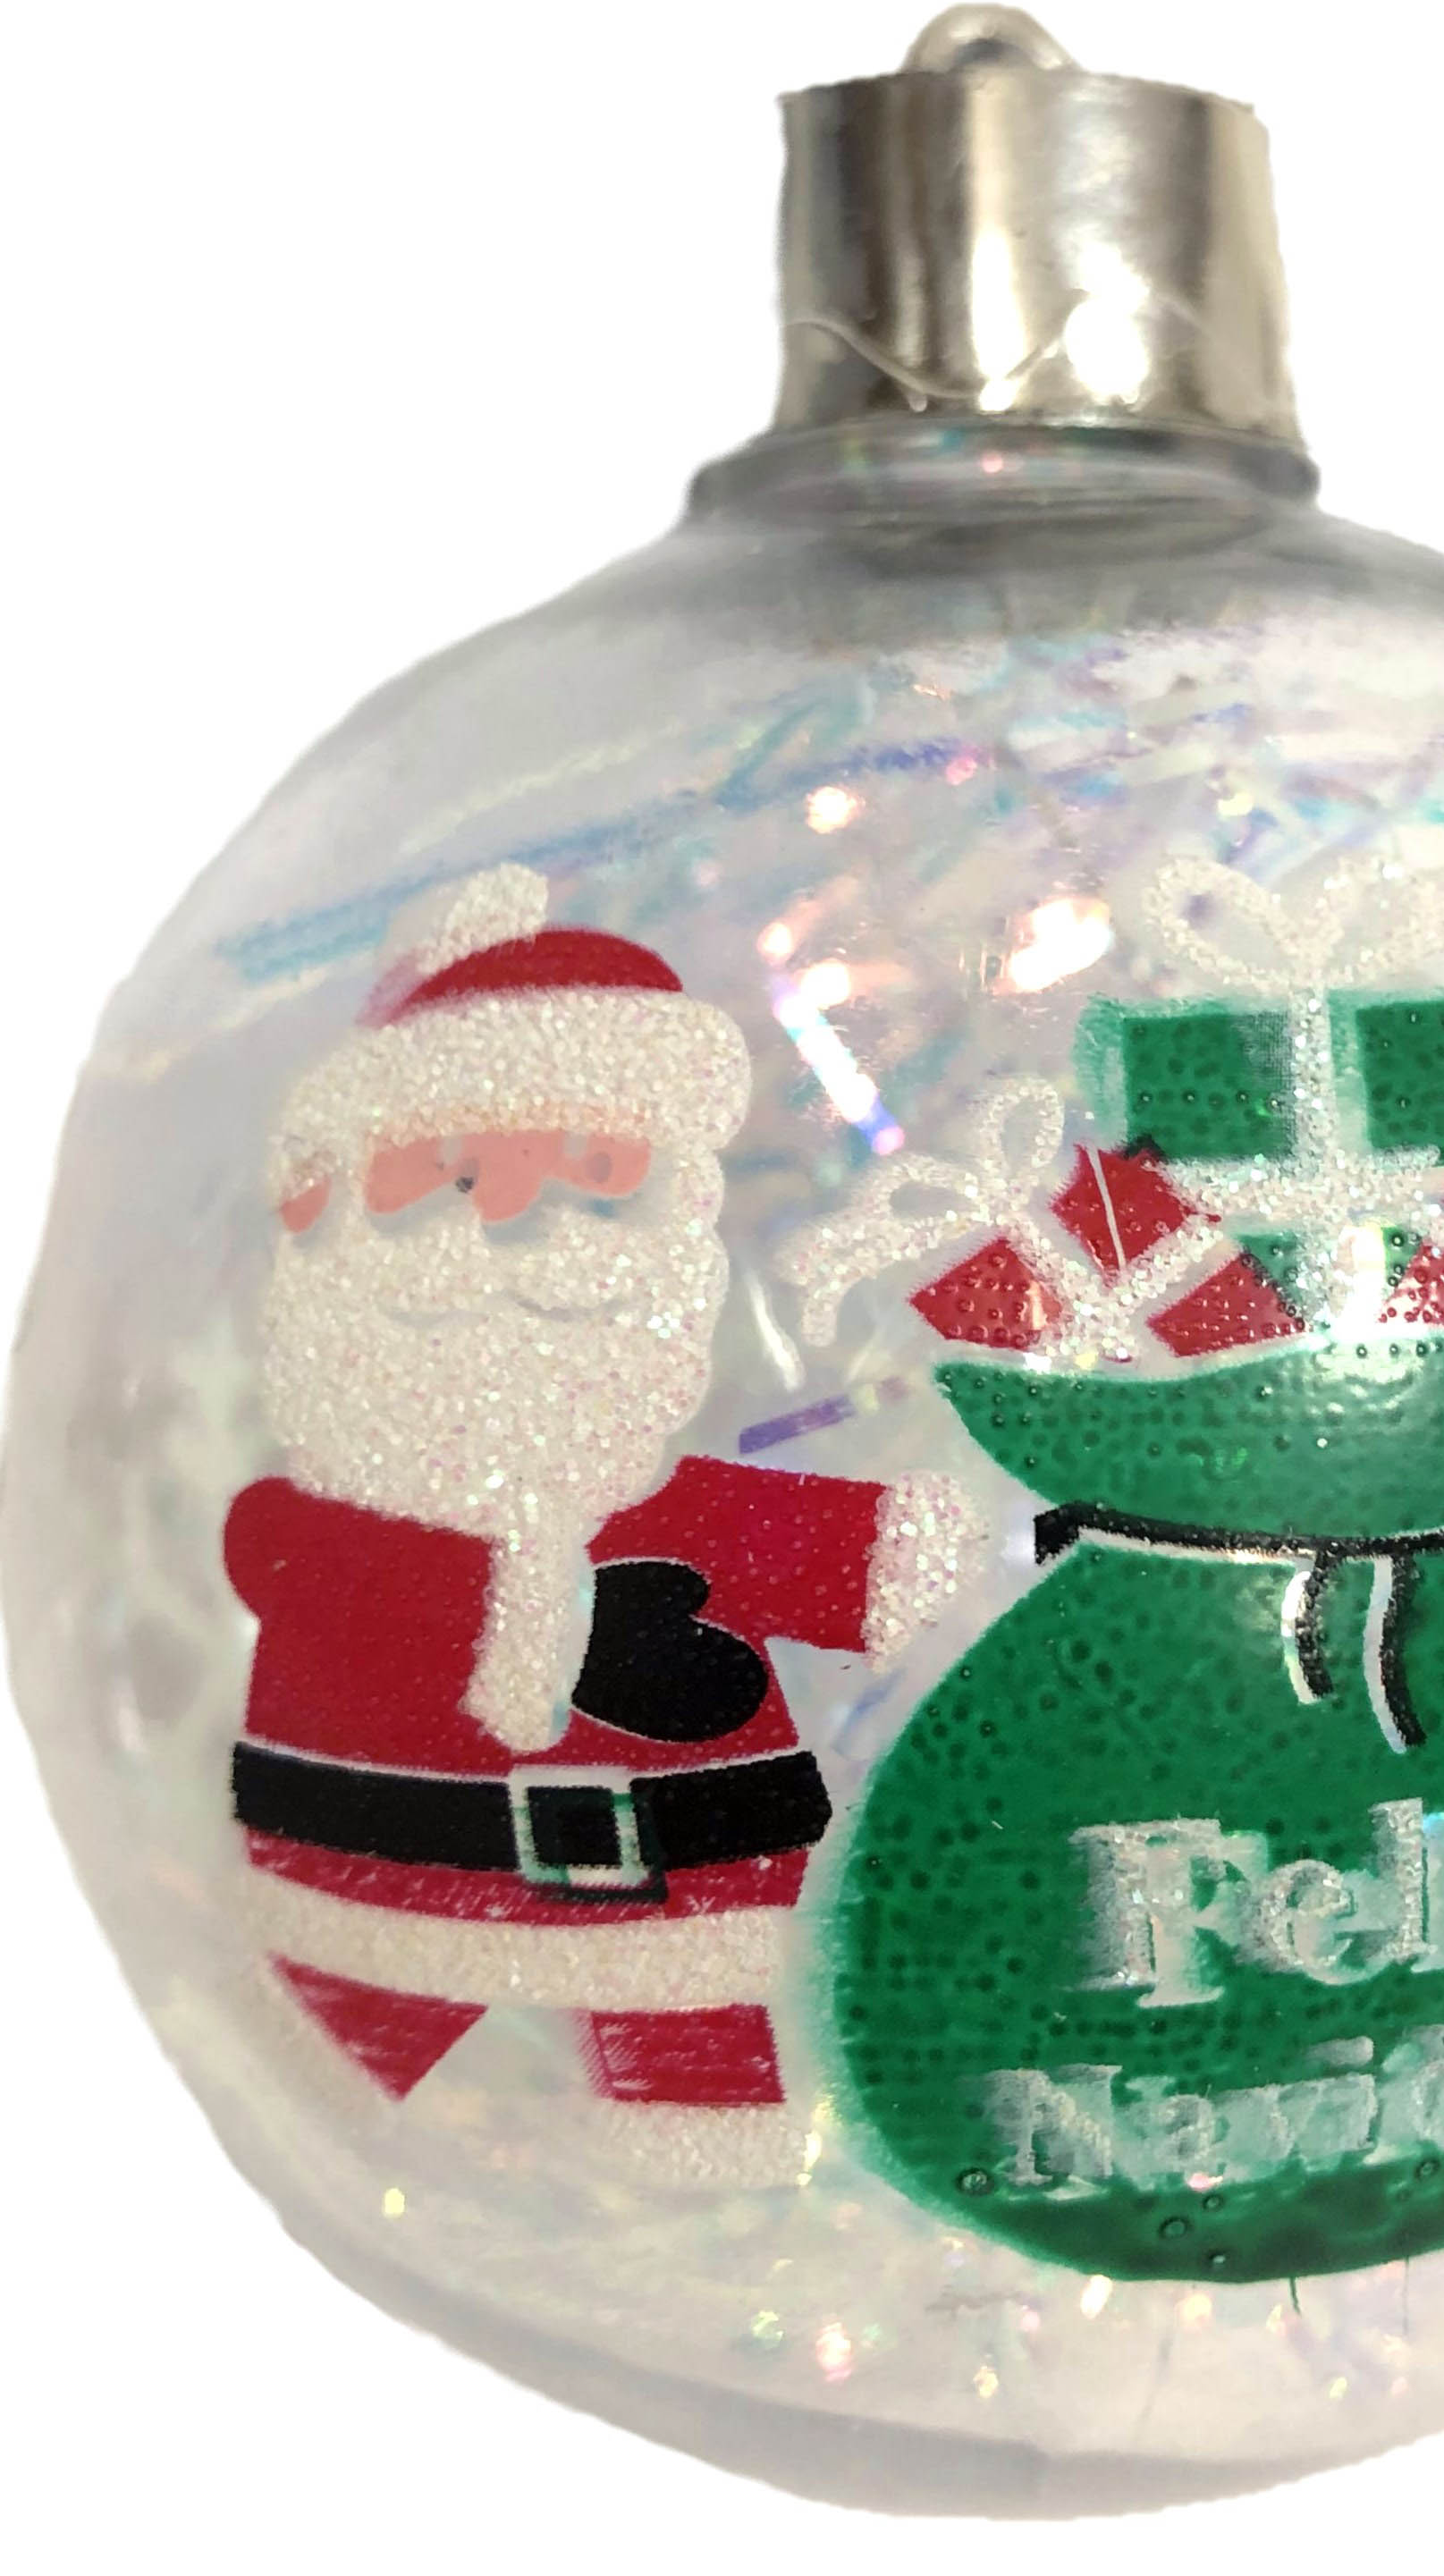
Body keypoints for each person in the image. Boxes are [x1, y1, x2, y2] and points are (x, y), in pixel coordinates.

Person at [224, 863, 974, 2183]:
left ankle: (719, 2184)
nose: (535, 1243)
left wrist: (916, 1550)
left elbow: (797, 1551)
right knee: (342, 2071)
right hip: (377, 1867)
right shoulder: (329, 1521)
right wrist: (500, 1603)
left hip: (678, 1891)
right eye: (462, 1187)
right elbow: (287, 1560)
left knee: (705, 2105)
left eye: (600, 1189)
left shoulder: (668, 1501)